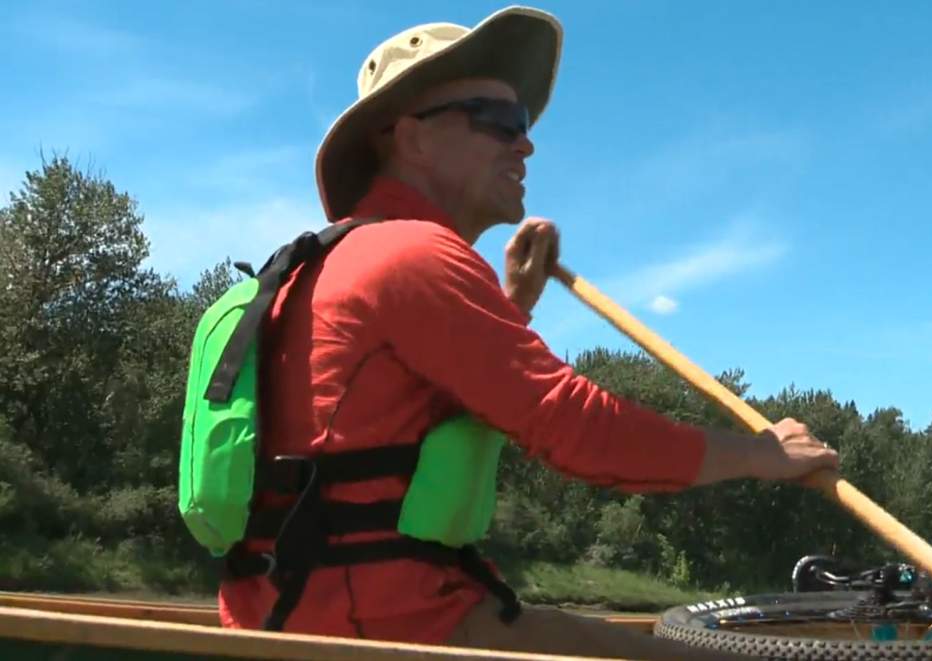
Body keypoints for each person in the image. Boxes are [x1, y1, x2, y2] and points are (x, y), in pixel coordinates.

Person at [217, 6, 839, 659]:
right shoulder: (413, 257)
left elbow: (396, 412)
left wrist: (515, 301)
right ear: (411, 137)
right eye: (500, 121)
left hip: (289, 614)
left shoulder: (339, 260)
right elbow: (578, 430)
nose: (526, 143)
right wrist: (761, 454)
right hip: (377, 624)